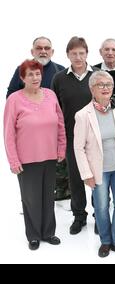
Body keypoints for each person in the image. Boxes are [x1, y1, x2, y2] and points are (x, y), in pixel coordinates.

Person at [74, 71, 115, 258]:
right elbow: (78, 148)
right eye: (100, 85)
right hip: (98, 170)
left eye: (108, 84)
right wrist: (86, 173)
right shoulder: (83, 115)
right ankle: (105, 241)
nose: (105, 88)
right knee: (101, 207)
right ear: (92, 88)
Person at [4, 59, 66, 250]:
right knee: (30, 198)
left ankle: (48, 232)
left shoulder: (50, 95)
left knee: (48, 196)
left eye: (37, 73)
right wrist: (13, 160)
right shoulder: (14, 99)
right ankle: (33, 235)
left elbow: (60, 124)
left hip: (49, 156)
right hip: (26, 160)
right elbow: (8, 133)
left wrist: (61, 148)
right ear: (22, 78)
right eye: (30, 74)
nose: (35, 77)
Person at [6, 36, 68, 201]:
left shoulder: (60, 70)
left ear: (52, 51)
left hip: (54, 130)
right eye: (39, 48)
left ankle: (61, 196)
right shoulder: (22, 69)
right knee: (33, 190)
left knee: (58, 174)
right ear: (32, 51)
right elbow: (11, 97)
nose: (43, 51)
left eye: (47, 48)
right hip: (31, 139)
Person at [51, 36, 98, 235]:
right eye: (73, 53)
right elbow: (55, 110)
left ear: (87, 53)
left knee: (98, 179)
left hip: (96, 138)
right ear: (68, 55)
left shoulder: (97, 75)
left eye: (81, 53)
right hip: (72, 139)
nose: (78, 57)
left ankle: (100, 215)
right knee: (76, 180)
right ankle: (79, 216)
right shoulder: (59, 78)